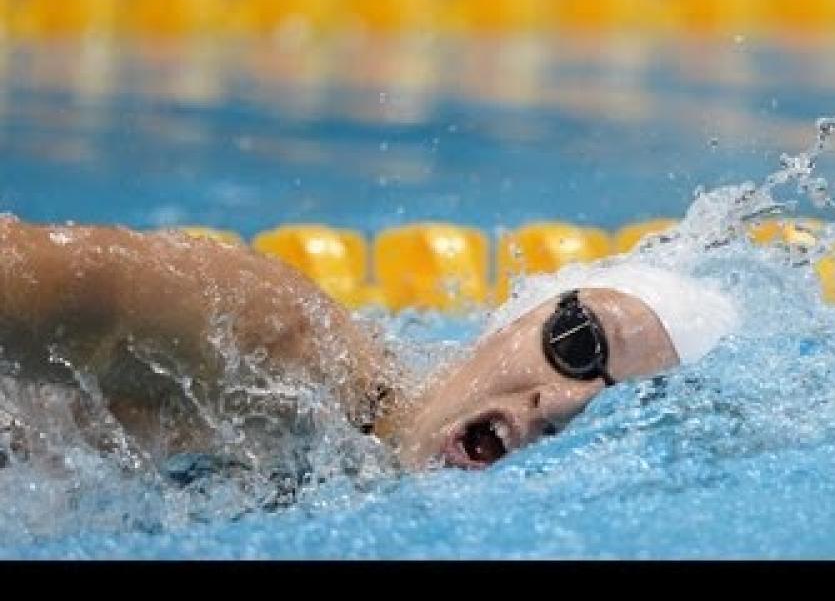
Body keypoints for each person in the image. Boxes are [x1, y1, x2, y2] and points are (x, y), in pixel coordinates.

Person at [0, 216, 739, 475]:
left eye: (619, 407)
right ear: (507, 321)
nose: (567, 401)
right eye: (578, 345)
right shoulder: (274, 342)